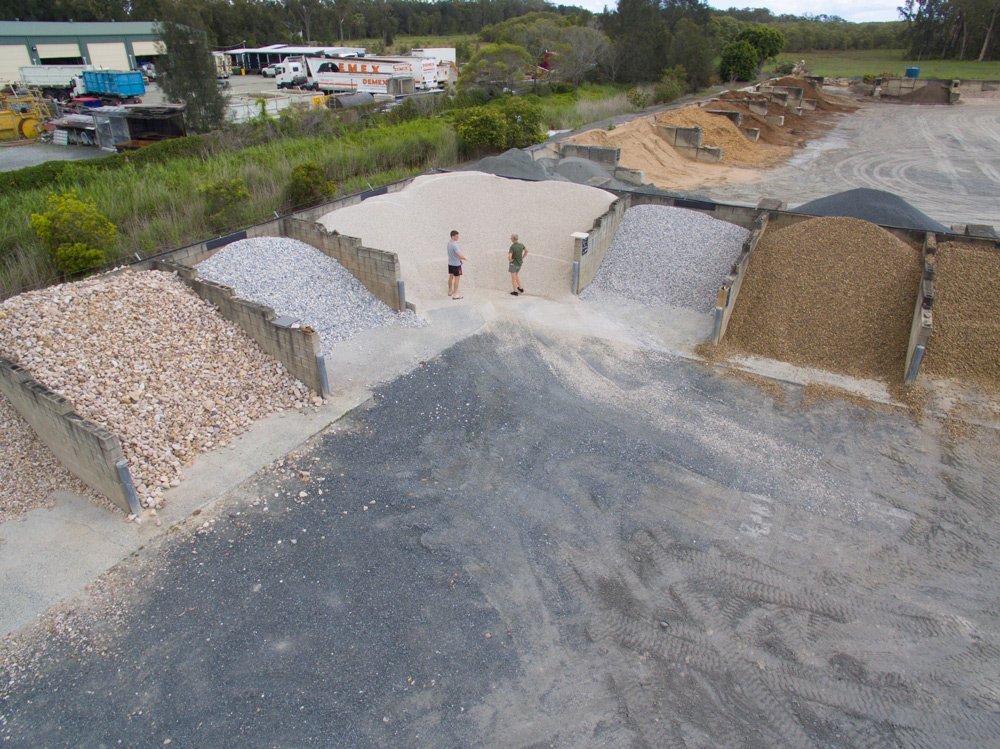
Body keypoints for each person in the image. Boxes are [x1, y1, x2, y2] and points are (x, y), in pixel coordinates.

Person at [447, 229, 467, 300]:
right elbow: (459, 255)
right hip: (456, 265)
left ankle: (450, 291)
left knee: (450, 277)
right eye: (456, 236)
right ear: (452, 236)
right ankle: (455, 294)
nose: (458, 237)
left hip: (450, 263)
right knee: (457, 278)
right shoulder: (455, 245)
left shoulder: (449, 243)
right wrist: (465, 258)